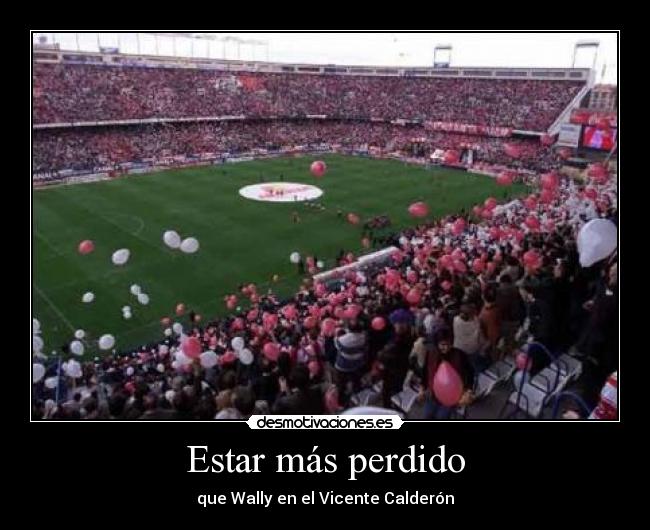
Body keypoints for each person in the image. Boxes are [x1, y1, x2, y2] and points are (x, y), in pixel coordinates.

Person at [417, 329, 475, 419]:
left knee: (442, 417)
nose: (446, 347)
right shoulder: (431, 354)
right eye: (443, 345)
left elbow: (470, 373)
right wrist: (422, 389)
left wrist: (468, 392)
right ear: (437, 344)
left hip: (452, 396)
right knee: (427, 416)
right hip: (433, 395)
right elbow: (425, 373)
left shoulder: (460, 355)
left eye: (449, 344)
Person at [378, 309, 416, 408]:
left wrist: (382, 353)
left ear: (401, 325)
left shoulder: (397, 342)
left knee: (387, 393)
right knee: (397, 392)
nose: (394, 325)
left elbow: (384, 356)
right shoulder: (410, 336)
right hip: (402, 370)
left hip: (392, 371)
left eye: (396, 323)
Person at [453, 303, 488, 372]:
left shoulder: (456, 320)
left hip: (459, 348)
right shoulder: (476, 323)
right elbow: (480, 337)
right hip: (473, 349)